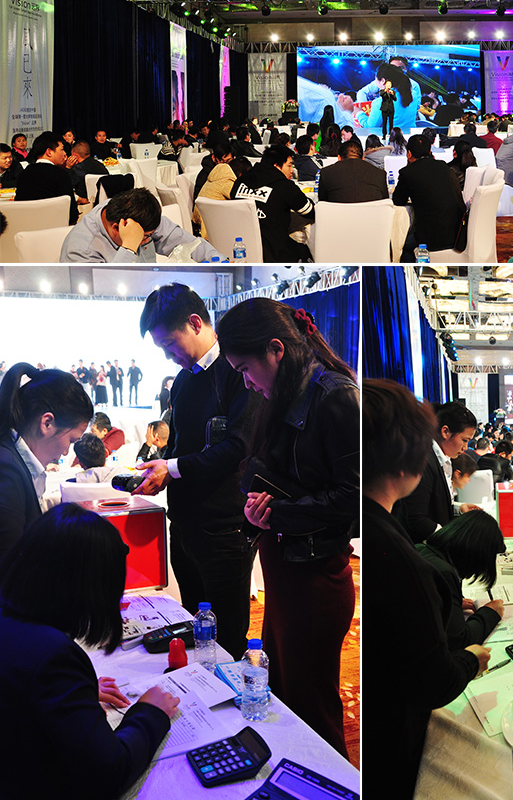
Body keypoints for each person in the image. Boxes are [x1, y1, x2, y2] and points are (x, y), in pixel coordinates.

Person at [216, 297, 359, 757]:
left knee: (312, 708)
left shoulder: (333, 395)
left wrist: (280, 512)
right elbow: (271, 474)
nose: (245, 381)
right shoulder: (284, 393)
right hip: (285, 567)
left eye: (245, 369)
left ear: (276, 349)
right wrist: (258, 511)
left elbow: (354, 499)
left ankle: (331, 782)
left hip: (316, 576)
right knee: (286, 694)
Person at [0, 502, 179, 800]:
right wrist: (150, 712)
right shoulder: (52, 656)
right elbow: (110, 772)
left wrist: (74, 691)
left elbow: (18, 687)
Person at [363, 379, 490, 799]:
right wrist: (472, 658)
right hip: (393, 733)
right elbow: (434, 680)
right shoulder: (405, 562)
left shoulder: (370, 526)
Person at [133, 284, 254, 661]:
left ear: (195, 323)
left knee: (227, 635)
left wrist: (172, 467)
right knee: (193, 623)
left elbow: (238, 448)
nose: (169, 356)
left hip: (224, 528)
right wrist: (161, 471)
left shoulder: (239, 371)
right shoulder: (184, 380)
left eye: (170, 345)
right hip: (184, 525)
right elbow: (180, 446)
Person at [0, 363, 93, 566]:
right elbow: (8, 567)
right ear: (47, 423)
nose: (66, 452)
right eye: (71, 440)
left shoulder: (13, 461)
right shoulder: (7, 471)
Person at [416, 510, 506, 650]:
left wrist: (451, 602)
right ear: (477, 555)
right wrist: (490, 613)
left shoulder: (422, 550)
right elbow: (460, 640)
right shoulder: (444, 573)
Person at [60, 187, 220, 263]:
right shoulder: (81, 250)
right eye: (144, 237)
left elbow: (186, 242)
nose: (147, 240)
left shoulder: (138, 215)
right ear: (116, 228)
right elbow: (107, 291)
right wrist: (129, 247)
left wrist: (219, 261)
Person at [396, 400, 479, 544]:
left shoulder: (444, 459)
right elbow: (416, 519)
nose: (465, 447)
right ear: (445, 432)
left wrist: (459, 508)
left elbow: (434, 505)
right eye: (464, 440)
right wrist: (450, 538)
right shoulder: (423, 460)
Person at [230, 145, 314, 263]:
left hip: (241, 248)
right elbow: (309, 211)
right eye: (289, 165)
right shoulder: (284, 186)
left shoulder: (240, 181)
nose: (292, 170)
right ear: (276, 166)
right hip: (275, 252)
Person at [393, 134, 465, 259]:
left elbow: (398, 201)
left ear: (409, 154)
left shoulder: (408, 173)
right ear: (430, 151)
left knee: (399, 245)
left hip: (429, 240)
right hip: (456, 235)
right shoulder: (443, 167)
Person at [14, 131, 79, 225]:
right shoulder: (61, 174)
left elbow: (18, 207)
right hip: (55, 229)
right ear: (49, 152)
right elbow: (72, 214)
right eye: (62, 149)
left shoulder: (24, 173)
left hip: (27, 227)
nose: (64, 153)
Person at [317, 138, 388, 203]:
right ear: (363, 158)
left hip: (338, 213)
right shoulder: (380, 174)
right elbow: (385, 202)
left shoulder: (326, 173)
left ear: (339, 158)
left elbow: (322, 203)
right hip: (371, 213)